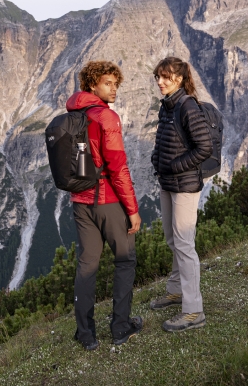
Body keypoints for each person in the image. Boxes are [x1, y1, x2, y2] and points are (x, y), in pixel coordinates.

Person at [66, 60, 143, 350]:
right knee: (124, 260)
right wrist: (132, 209)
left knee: (87, 265)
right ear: (92, 84)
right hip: (108, 201)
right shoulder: (106, 117)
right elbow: (118, 167)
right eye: (107, 83)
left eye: (116, 84)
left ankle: (86, 334)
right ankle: (120, 328)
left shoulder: (72, 113)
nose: (114, 89)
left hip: (80, 201)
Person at [149, 56, 213, 332]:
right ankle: (176, 292)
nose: (160, 82)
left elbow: (204, 147)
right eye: (158, 77)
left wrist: (175, 166)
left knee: (185, 245)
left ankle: (193, 311)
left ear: (179, 79)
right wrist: (156, 158)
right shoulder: (168, 106)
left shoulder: (186, 106)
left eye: (165, 77)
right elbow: (165, 139)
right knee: (172, 238)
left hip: (185, 185)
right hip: (168, 182)